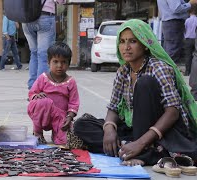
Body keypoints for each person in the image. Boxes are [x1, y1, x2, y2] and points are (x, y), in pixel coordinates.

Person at [72, 19, 197, 167]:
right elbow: (113, 108)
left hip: (163, 129)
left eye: (133, 41)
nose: (126, 47)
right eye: (123, 41)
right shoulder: (123, 71)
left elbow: (172, 113)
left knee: (144, 83)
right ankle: (140, 149)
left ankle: (141, 150)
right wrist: (109, 128)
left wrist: (140, 142)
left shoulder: (158, 68)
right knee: (82, 125)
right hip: (134, 129)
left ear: (145, 45)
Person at [27, 42, 79, 145]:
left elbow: (74, 103)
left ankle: (56, 134)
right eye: (55, 61)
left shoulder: (71, 82)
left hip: (60, 118)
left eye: (63, 62)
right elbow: (32, 93)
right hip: (43, 115)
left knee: (65, 141)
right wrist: (36, 96)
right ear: (48, 62)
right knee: (43, 102)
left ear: (68, 64)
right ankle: (38, 133)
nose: (59, 66)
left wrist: (69, 117)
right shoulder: (43, 78)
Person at [23, 0, 66, 89]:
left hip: (26, 19)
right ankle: (39, 89)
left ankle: (32, 87)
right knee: (43, 55)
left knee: (34, 53)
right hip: (45, 17)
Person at [184, 4, 197, 76]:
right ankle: (194, 72)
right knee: (195, 56)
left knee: (188, 55)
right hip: (195, 39)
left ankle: (187, 71)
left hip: (188, 39)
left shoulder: (187, 20)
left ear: (189, 12)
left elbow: (185, 29)